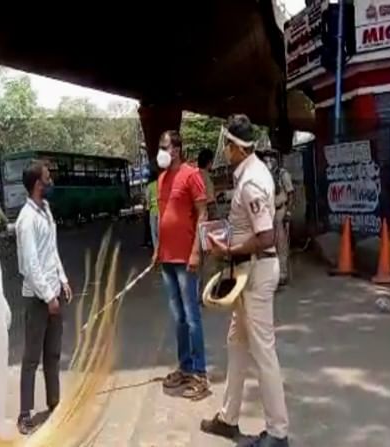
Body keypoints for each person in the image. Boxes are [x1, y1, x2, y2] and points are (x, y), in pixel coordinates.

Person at [199, 115, 290, 447]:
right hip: (245, 272)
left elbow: (265, 236)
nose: (224, 150)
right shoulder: (251, 173)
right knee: (236, 343)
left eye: (227, 144)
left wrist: (230, 248)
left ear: (236, 148)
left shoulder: (251, 181)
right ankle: (229, 418)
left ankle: (278, 433)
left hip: (255, 271)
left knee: (263, 352)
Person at [15, 161, 72, 435]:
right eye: (48, 177)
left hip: (53, 293)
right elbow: (31, 265)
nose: (51, 181)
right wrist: (49, 296)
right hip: (38, 298)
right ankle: (24, 414)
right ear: (38, 184)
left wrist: (63, 280)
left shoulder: (46, 211)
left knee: (53, 353)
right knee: (31, 358)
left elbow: (51, 251)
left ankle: (54, 402)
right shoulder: (26, 221)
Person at [152, 130, 210, 400]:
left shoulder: (191, 175)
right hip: (167, 258)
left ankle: (200, 373)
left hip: (187, 258)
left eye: (164, 146)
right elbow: (163, 217)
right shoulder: (161, 179)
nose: (161, 151)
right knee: (178, 318)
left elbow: (203, 214)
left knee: (191, 317)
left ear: (176, 149)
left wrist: (197, 251)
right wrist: (157, 250)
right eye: (160, 146)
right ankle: (185, 366)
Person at [257, 148, 295, 285]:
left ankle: (283, 273)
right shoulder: (262, 175)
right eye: (265, 159)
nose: (268, 161)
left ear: (275, 160)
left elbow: (290, 194)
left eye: (270, 158)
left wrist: (288, 211)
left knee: (281, 244)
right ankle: (271, 274)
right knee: (267, 244)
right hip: (267, 212)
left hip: (280, 211)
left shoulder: (282, 174)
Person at [197, 148, 218, 219]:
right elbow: (209, 196)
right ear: (209, 162)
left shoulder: (198, 174)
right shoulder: (204, 175)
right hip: (208, 206)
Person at [145, 168, 160, 248]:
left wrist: (147, 208)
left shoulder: (149, 186)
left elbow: (147, 199)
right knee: (159, 231)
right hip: (161, 210)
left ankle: (156, 249)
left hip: (152, 211)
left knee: (153, 232)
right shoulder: (160, 184)